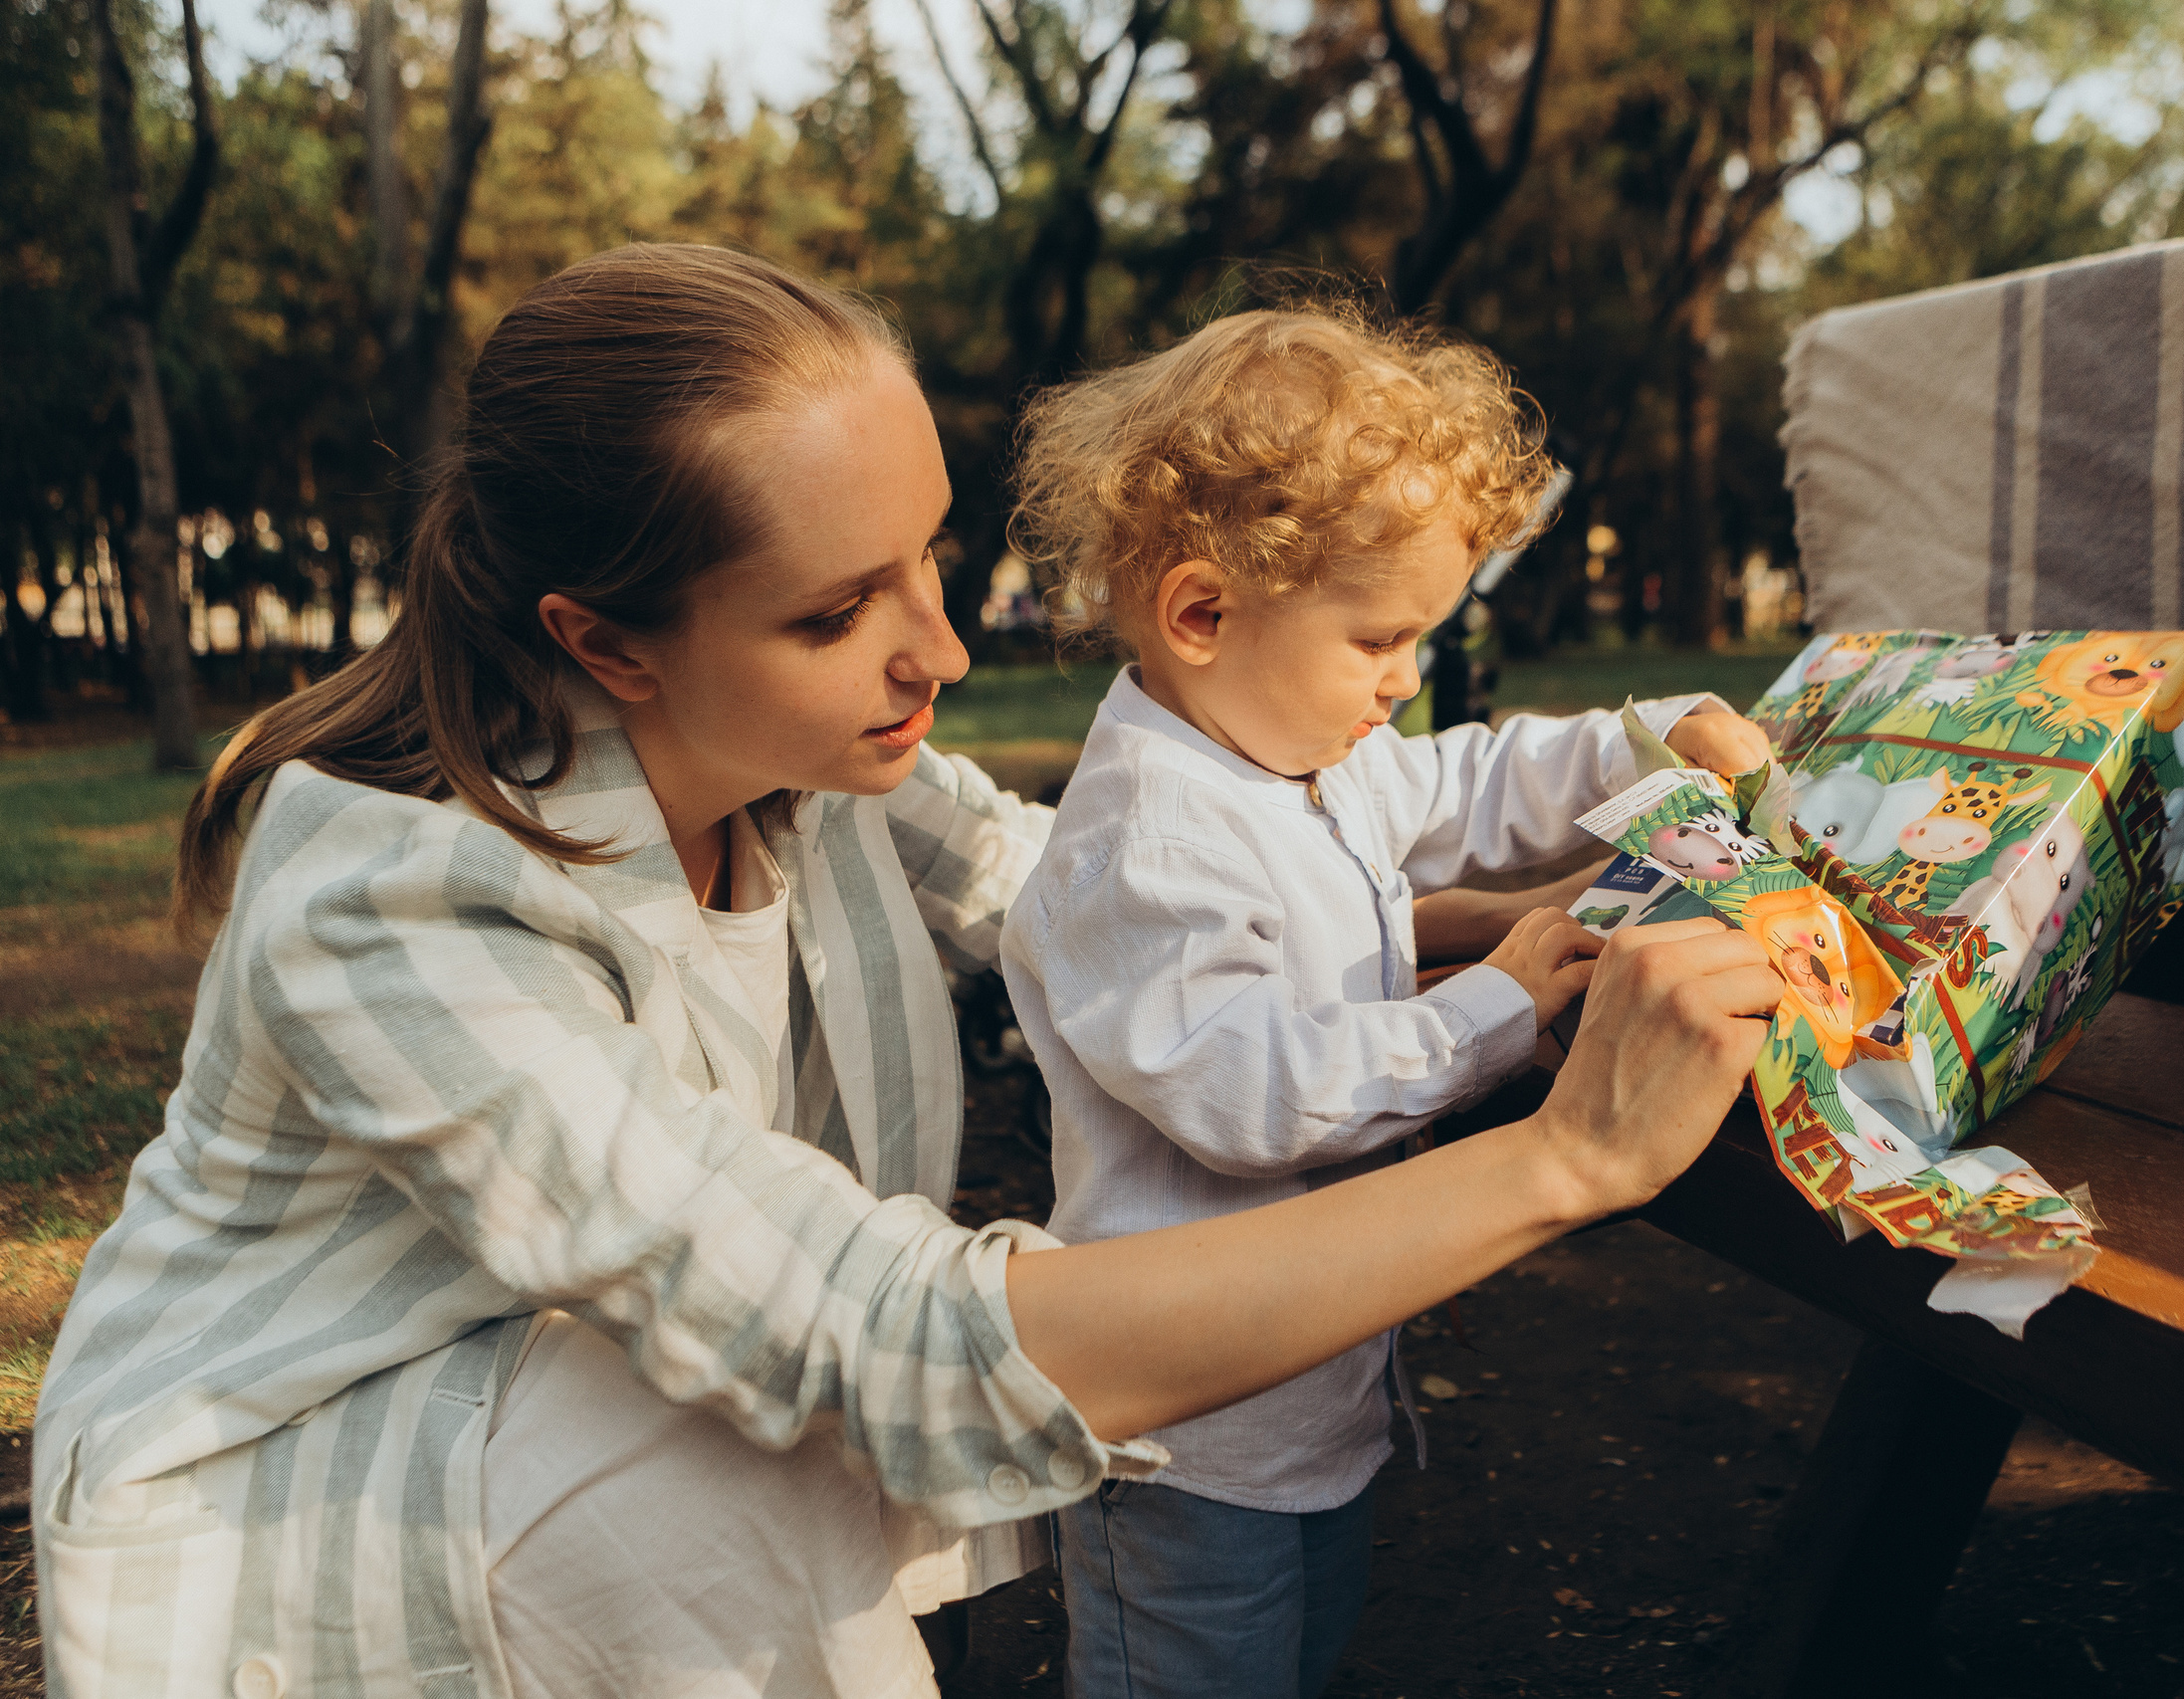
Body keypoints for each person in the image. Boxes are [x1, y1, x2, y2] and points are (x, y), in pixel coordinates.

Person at [31, 245, 1783, 1699]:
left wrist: (1496, 921)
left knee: (724, 1445)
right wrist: (1570, 1155)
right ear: (602, 644)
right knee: (724, 1468)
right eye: (834, 610)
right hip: (332, 1464)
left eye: (930, 555)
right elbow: (872, 1338)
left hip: (588, 1368)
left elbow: (1072, 906)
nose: (939, 649)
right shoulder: (393, 909)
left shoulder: (815, 757)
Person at [997, 307, 1773, 1699]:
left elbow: (1468, 782)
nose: (1405, 677)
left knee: (1302, 1654)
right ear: (1201, 612)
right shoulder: (1149, 840)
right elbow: (1251, 1093)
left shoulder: (1296, 749)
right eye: (1382, 637)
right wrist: (1486, 1010)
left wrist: (1640, 738)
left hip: (1311, 1398)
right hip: (1192, 1437)